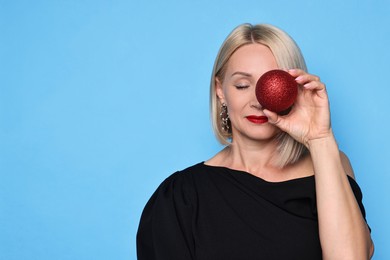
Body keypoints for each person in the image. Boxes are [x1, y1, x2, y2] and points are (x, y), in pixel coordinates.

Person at [136, 23, 374, 259]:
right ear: (220, 90)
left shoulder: (330, 165)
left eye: (271, 85)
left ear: (295, 88)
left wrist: (320, 138)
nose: (258, 101)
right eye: (242, 85)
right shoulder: (182, 195)